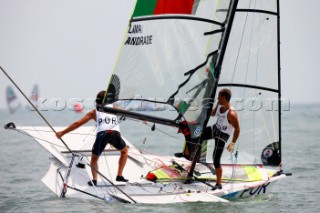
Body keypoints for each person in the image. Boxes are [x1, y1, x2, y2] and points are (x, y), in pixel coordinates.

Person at [56, 90, 129, 186]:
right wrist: (143, 118)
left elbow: (77, 124)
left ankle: (94, 180)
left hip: (103, 134)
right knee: (124, 151)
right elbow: (128, 112)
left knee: (94, 158)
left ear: (97, 101)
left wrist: (62, 132)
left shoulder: (94, 112)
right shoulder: (114, 108)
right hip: (115, 134)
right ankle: (119, 175)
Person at [201, 88, 240, 190]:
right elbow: (213, 113)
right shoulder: (219, 104)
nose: (217, 98)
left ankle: (219, 183)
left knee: (216, 159)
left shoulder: (231, 114)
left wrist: (232, 143)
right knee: (199, 135)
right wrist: (208, 109)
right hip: (215, 128)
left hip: (223, 135)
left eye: (219, 96)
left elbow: (237, 128)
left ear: (224, 97)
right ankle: (197, 158)